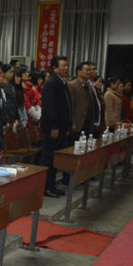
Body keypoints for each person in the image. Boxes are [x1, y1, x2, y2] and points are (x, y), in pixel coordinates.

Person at [40, 55, 72, 197]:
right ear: (54, 68)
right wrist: (53, 127)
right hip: (53, 128)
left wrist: (67, 127)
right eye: (63, 66)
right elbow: (50, 107)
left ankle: (52, 185)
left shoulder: (62, 82)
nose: (66, 68)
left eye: (67, 65)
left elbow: (66, 107)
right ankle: (45, 187)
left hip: (61, 127)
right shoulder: (51, 83)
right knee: (49, 158)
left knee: (56, 158)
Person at [68, 61, 99, 138]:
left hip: (89, 123)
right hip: (78, 123)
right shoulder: (72, 85)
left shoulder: (89, 86)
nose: (89, 72)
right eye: (87, 70)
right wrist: (73, 123)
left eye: (90, 70)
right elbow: (70, 105)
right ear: (79, 72)